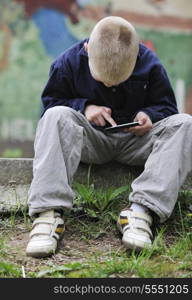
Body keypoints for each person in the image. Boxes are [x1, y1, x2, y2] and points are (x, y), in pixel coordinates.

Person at [26, 16, 192, 258]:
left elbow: (167, 108)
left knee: (185, 123)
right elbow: (49, 108)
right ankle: (48, 214)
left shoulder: (150, 64)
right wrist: (84, 107)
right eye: (100, 78)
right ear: (87, 48)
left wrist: (149, 115)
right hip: (89, 141)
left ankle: (142, 212)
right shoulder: (67, 63)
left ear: (136, 57)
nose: (107, 83)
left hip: (135, 143)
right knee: (56, 115)